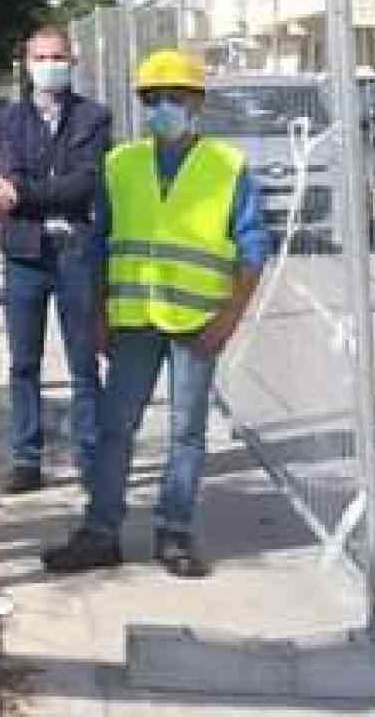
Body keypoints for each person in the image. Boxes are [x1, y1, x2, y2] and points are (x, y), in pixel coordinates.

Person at [43, 49, 269, 579]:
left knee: (186, 432)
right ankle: (100, 532)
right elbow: (99, 244)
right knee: (115, 427)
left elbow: (254, 245)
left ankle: (174, 533)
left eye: (176, 97)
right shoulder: (121, 164)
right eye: (154, 98)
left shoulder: (226, 167)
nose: (164, 107)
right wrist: (98, 313)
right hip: (134, 318)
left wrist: (230, 318)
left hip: (197, 321)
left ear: (198, 104)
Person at [0, 25, 111, 493]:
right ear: (26, 63)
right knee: (24, 363)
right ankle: (26, 459)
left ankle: (89, 455)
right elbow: (7, 181)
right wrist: (33, 194)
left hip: (75, 253)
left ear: (72, 61)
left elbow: (85, 182)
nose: (49, 65)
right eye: (40, 57)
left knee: (83, 362)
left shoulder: (93, 118)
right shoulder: (9, 121)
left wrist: (26, 194)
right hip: (24, 254)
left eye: (57, 56)